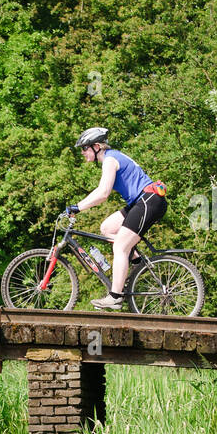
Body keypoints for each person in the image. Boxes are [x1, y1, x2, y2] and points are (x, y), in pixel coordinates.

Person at [66, 127, 167, 310]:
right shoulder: (111, 157)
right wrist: (78, 206)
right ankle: (137, 265)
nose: (82, 152)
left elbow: (103, 193)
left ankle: (115, 297)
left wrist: (77, 207)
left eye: (85, 148)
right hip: (142, 201)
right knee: (107, 228)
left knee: (120, 246)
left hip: (148, 201)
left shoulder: (110, 160)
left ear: (96, 146)